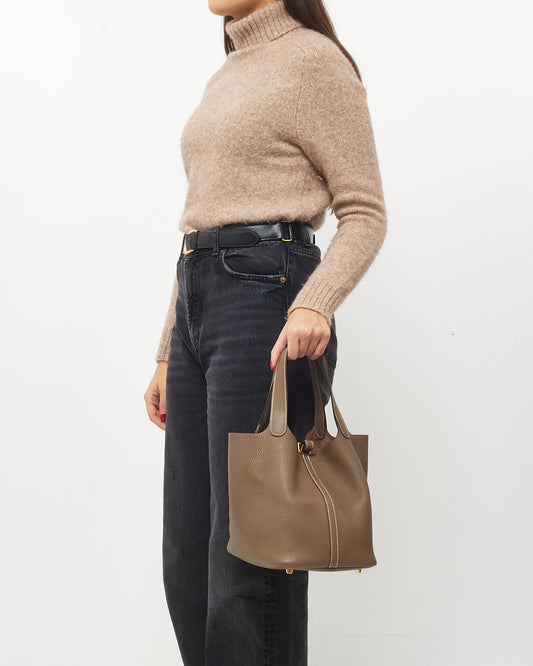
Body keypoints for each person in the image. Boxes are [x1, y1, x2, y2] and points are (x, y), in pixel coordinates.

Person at [143, 1, 387, 663]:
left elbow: (364, 210)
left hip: (267, 299)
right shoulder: (229, 69)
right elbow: (202, 219)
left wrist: (315, 304)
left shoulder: (313, 60)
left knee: (249, 555)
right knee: (187, 554)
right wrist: (167, 350)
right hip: (198, 297)